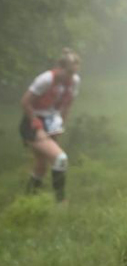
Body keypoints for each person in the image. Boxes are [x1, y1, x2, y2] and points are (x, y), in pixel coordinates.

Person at [19, 49, 81, 203]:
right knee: (60, 158)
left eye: (73, 73)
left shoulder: (74, 81)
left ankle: (27, 200)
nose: (70, 77)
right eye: (68, 72)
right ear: (59, 67)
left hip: (52, 121)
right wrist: (36, 122)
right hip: (32, 122)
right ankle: (60, 203)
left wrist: (59, 125)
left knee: (41, 165)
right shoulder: (45, 79)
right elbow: (25, 102)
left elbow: (68, 105)